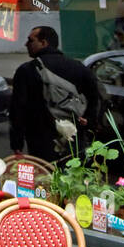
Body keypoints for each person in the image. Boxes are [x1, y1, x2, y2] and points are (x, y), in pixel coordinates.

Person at [10, 25, 100, 161]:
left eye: (30, 40)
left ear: (44, 43)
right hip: (74, 138)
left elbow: (18, 110)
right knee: (73, 176)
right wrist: (88, 120)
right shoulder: (78, 67)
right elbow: (95, 97)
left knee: (45, 178)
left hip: (40, 141)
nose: (26, 44)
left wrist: (17, 143)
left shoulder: (27, 71)